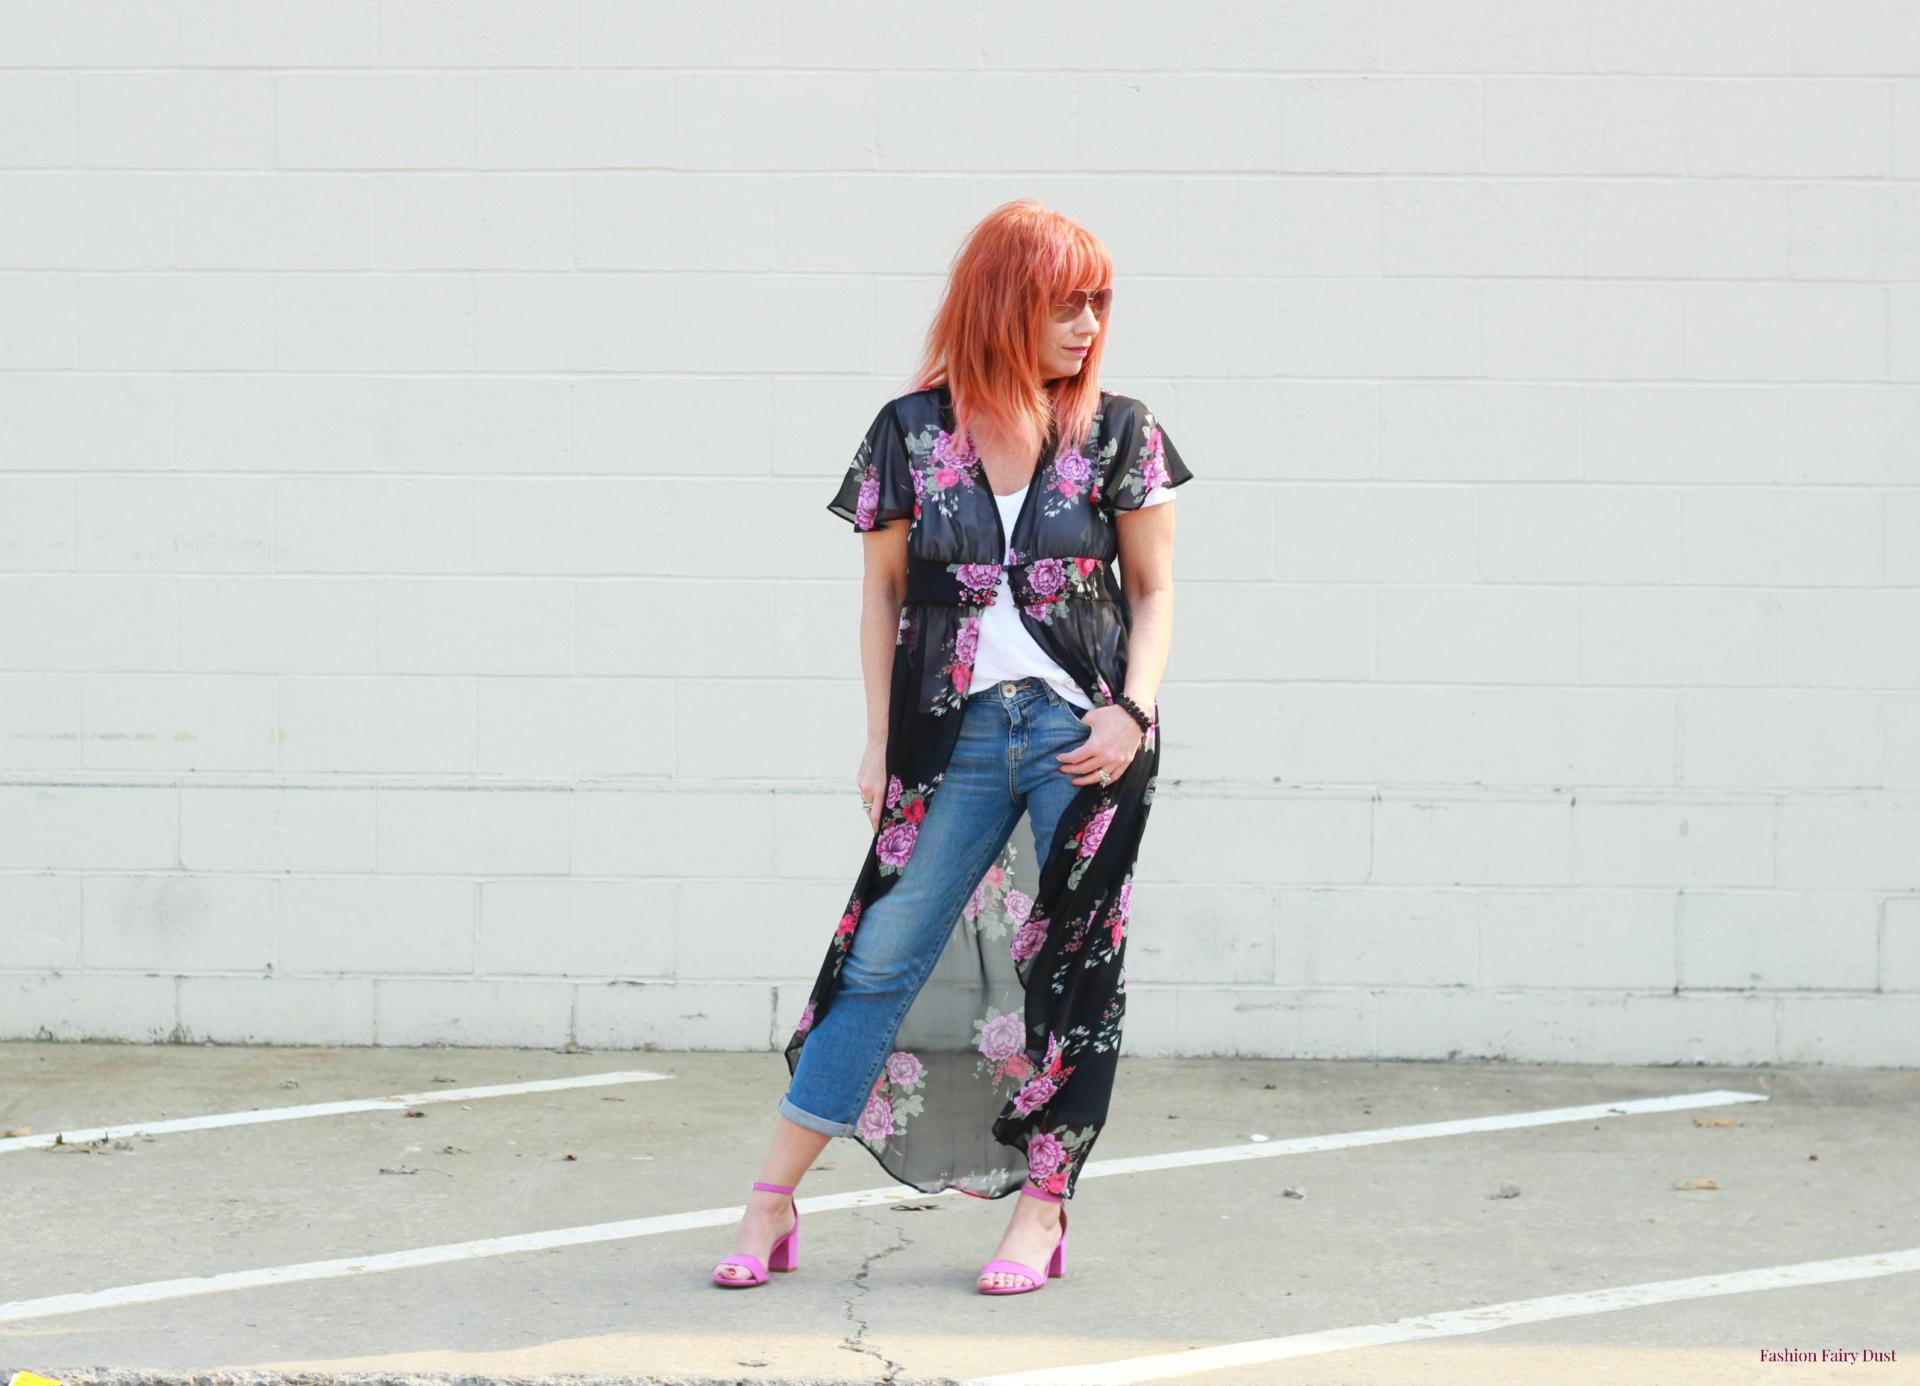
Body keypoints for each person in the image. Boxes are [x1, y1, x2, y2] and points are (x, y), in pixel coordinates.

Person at [710, 198, 1192, 1294]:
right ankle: (772, 1198)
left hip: (1088, 736)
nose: (1086, 324)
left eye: (1097, 304)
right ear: (1004, 301)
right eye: (1064, 302)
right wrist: (879, 745)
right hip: (959, 736)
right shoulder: (909, 436)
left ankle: (1043, 1210)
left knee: (1074, 971)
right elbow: (882, 599)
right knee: (883, 953)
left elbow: (1155, 593)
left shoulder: (1120, 431)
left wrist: (1133, 713)